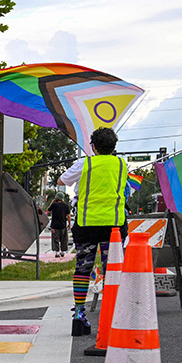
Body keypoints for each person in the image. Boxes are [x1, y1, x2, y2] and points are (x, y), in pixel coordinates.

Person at [58, 127, 129, 336]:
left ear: (94, 146)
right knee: (112, 271)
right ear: (113, 146)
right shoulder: (121, 165)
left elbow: (62, 180)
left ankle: (79, 314)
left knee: (83, 268)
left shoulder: (85, 163)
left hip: (87, 224)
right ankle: (112, 316)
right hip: (114, 226)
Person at [48, 192, 71, 256]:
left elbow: (48, 210)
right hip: (63, 225)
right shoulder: (66, 205)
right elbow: (68, 216)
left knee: (55, 239)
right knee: (64, 239)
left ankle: (57, 252)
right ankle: (63, 251)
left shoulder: (54, 204)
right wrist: (69, 224)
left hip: (54, 226)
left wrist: (51, 203)